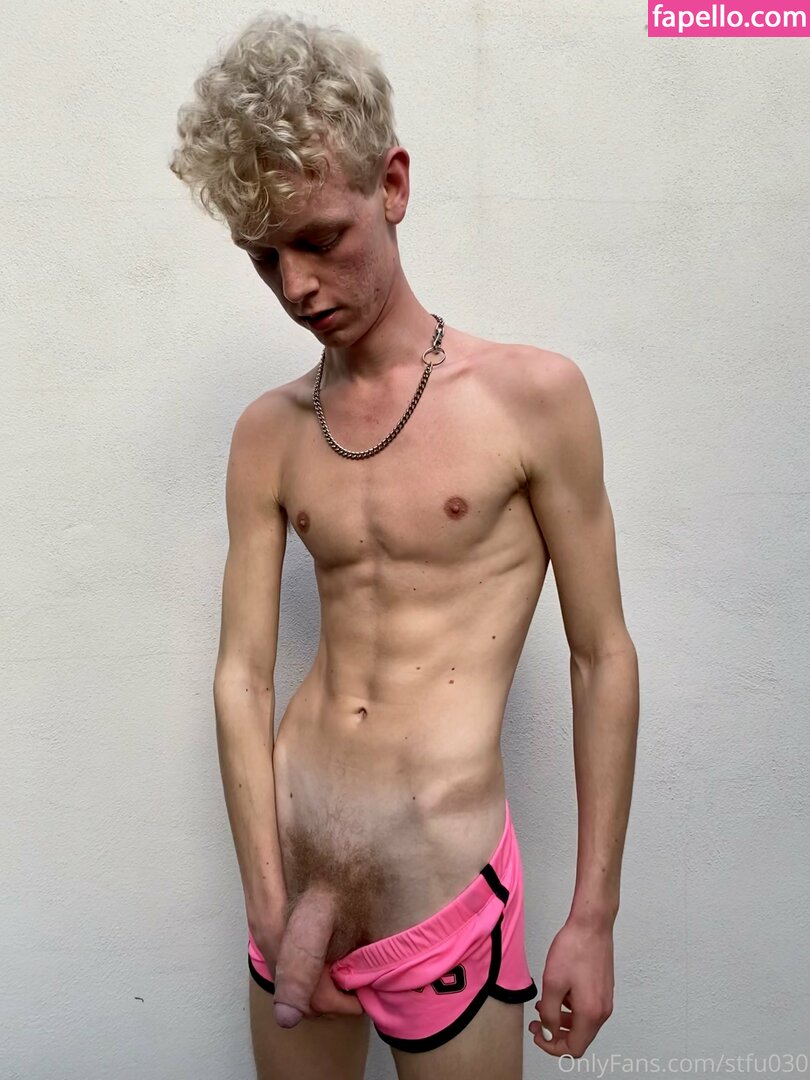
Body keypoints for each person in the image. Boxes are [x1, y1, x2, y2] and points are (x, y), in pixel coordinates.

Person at [170, 11, 639, 1080]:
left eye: (318, 239)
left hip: (442, 882)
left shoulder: (532, 397)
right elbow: (242, 677)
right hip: (293, 877)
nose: (295, 286)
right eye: (264, 258)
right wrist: (266, 897)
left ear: (392, 185)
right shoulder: (267, 432)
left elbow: (602, 653)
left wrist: (594, 916)